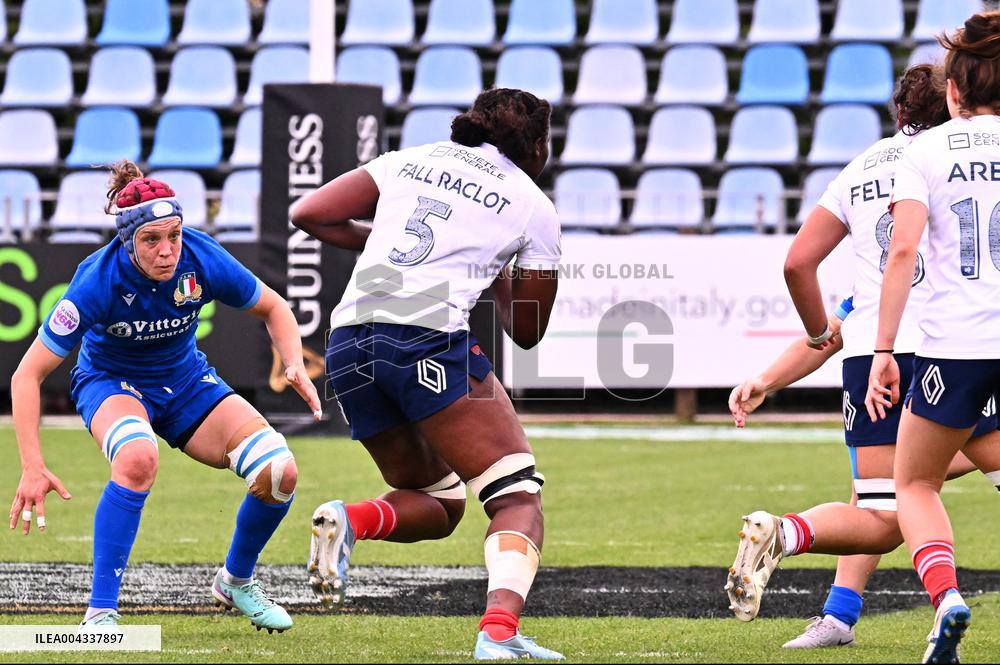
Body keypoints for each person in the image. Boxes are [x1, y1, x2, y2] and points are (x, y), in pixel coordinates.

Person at [726, 64, 1000, 651]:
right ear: (953, 102)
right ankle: (899, 604)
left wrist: (770, 377)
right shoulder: (945, 161)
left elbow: (817, 286)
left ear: (899, 112)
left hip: (876, 351)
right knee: (912, 489)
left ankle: (808, 564)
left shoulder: (864, 167)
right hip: (948, 343)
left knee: (885, 504)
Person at [291, 88, 563, 660]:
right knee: (516, 498)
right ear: (535, 144)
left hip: (348, 343)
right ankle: (498, 633)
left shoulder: (411, 158)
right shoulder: (533, 203)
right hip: (425, 339)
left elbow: (309, 213)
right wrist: (488, 270)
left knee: (438, 501)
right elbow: (528, 328)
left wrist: (381, 246)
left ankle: (350, 518)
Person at [8, 161, 322, 631]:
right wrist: (32, 466)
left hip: (186, 382)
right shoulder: (96, 280)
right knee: (137, 458)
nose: (167, 250)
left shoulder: (201, 256)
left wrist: (293, 360)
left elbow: (274, 306)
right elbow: (26, 375)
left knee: (280, 472)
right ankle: (100, 613)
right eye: (151, 240)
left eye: (173, 235)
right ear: (127, 239)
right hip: (111, 382)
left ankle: (235, 582)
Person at [865, 11, 1000, 663]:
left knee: (913, 484)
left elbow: (903, 252)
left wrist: (884, 351)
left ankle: (946, 598)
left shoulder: (924, 151)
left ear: (955, 92)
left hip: (957, 345)